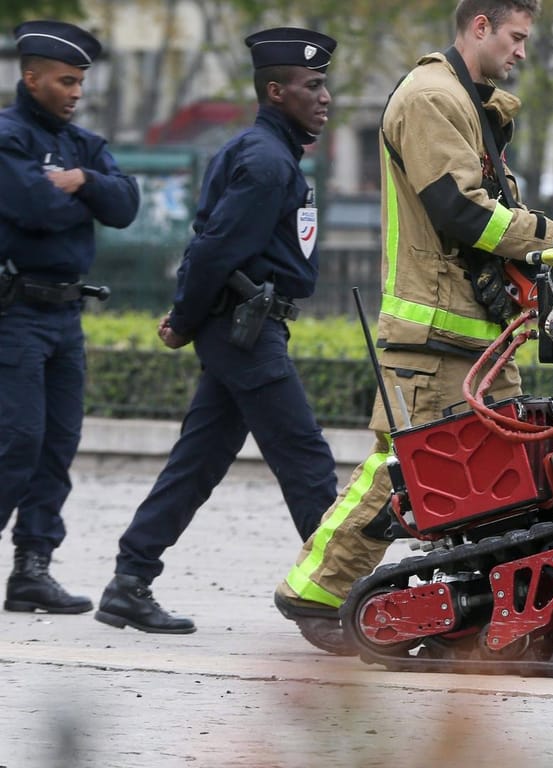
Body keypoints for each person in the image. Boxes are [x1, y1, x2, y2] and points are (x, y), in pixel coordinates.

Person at [274, 0, 553, 653]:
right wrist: (550, 241)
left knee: (502, 476)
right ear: (479, 27)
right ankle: (314, 592)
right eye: (516, 37)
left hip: (472, 333)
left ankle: (480, 609)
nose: (522, 52)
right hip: (435, 332)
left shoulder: (468, 103)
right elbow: (462, 213)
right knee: (402, 467)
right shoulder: (431, 98)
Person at [94, 27, 340, 634]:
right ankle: (339, 596)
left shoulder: (270, 154)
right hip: (244, 331)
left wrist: (188, 319)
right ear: (276, 91)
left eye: (325, 83)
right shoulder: (264, 161)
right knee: (305, 458)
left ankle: (129, 581)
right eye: (313, 86)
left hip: (245, 328)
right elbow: (211, 251)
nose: (326, 96)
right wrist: (182, 320)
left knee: (199, 459)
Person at [0, 21, 140, 615]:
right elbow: (30, 206)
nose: (75, 92)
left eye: (80, 81)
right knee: (17, 440)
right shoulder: (7, 137)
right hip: (15, 313)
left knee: (58, 444)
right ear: (31, 78)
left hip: (66, 313)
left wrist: (81, 181)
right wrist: (86, 200)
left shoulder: (83, 147)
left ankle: (32, 569)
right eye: (64, 81)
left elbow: (126, 204)